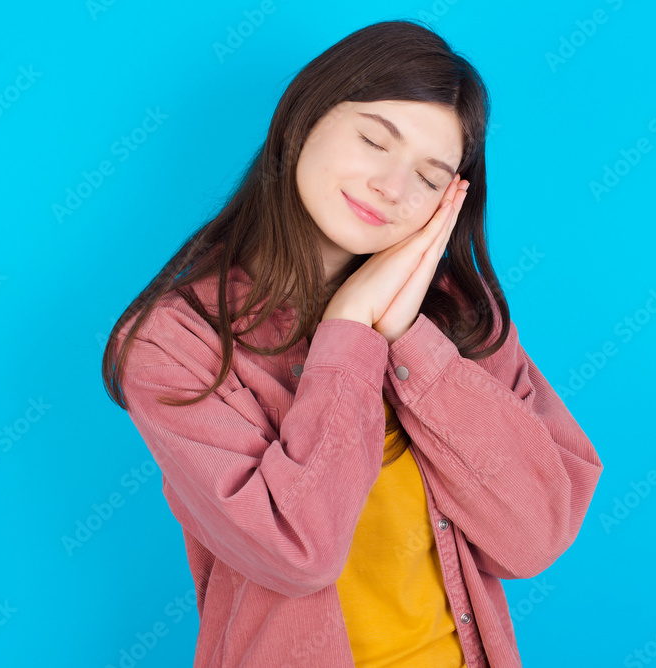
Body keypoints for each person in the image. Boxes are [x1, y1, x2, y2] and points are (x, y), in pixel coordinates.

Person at [101, 19, 604, 668]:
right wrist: (350, 330)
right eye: (374, 139)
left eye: (429, 177)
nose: (391, 189)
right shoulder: (176, 343)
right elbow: (298, 551)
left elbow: (535, 536)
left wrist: (411, 341)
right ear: (304, 119)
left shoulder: (460, 317)